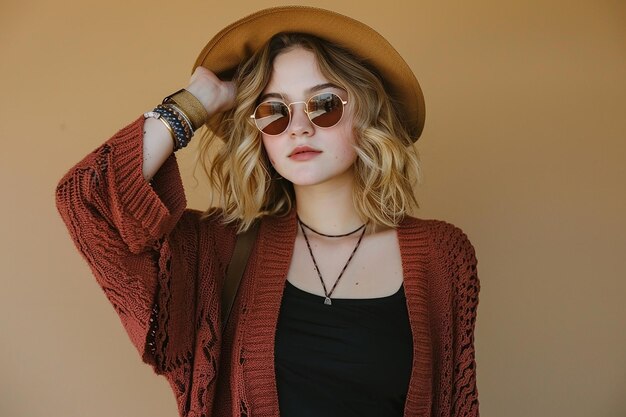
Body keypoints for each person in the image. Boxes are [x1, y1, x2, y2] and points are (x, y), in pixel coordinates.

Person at [56, 6, 480, 417]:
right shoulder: (219, 251)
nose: (299, 127)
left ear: (368, 115)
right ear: (259, 136)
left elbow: (455, 405)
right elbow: (85, 198)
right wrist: (198, 101)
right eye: (273, 111)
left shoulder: (442, 255)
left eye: (325, 104)